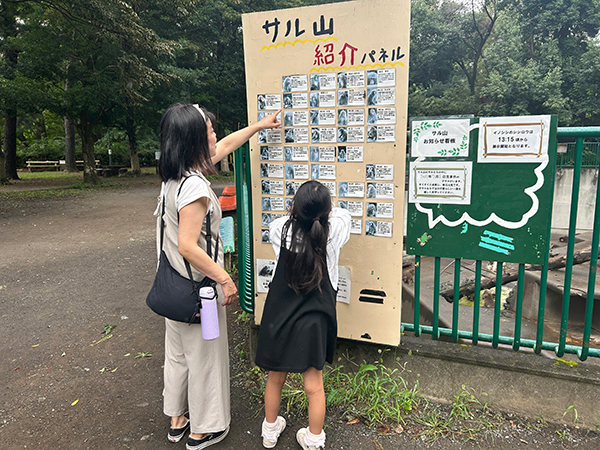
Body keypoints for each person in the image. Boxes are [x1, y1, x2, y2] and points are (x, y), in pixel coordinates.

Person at [155, 102, 281, 450]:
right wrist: (225, 279)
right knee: (207, 357)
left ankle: (177, 419)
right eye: (209, 129)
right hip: (201, 293)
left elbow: (226, 145)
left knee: (178, 354)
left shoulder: (174, 178)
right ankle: (205, 429)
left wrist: (258, 126)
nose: (215, 134)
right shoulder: (195, 189)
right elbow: (188, 246)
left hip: (173, 289)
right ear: (195, 139)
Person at [255, 180, 351, 449]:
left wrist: (296, 211)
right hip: (315, 318)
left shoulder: (279, 231)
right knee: (314, 384)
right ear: (326, 212)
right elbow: (343, 214)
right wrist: (325, 210)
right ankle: (314, 438)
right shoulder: (336, 230)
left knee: (275, 377)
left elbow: (284, 221)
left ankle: (270, 432)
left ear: (294, 208)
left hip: (281, 314)